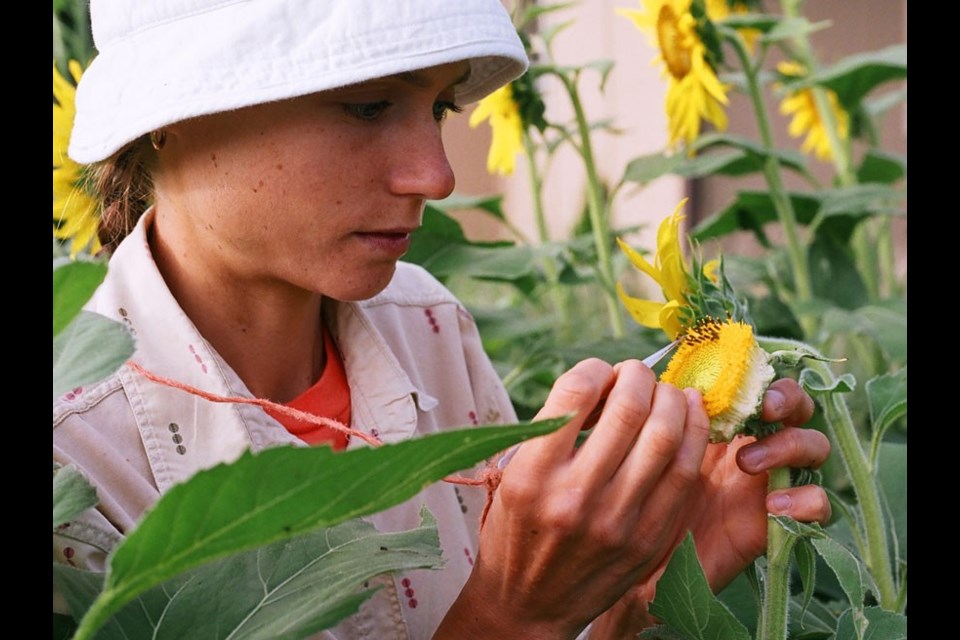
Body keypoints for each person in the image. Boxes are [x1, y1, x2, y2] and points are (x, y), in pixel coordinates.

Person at [53, 0, 832, 638]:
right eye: (366, 105)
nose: (437, 174)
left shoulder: (425, 325)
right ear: (171, 113)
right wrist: (514, 615)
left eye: (441, 105)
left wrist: (629, 593)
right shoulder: (78, 461)